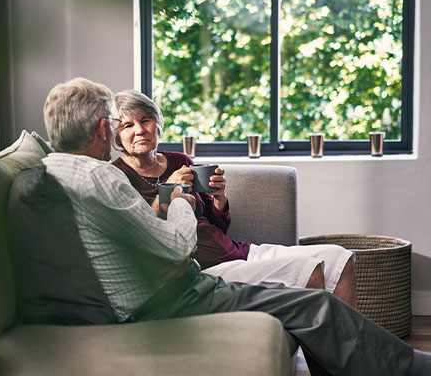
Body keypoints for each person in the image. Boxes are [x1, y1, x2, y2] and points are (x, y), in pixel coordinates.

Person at [37, 76, 428, 375]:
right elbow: (175, 248)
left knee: (328, 276)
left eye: (146, 121)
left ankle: (398, 364)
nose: (137, 130)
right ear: (106, 131)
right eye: (120, 123)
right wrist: (177, 200)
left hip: (179, 279)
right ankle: (409, 367)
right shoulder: (105, 177)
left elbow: (189, 230)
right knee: (317, 302)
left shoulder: (44, 175)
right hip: (176, 288)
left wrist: (213, 200)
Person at [111, 89, 358, 308]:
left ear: (157, 123)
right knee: (309, 270)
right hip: (203, 268)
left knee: (340, 257)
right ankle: (331, 360)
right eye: (128, 126)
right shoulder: (117, 176)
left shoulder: (180, 161)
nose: (140, 130)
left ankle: (351, 357)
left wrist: (219, 198)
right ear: (117, 136)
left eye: (145, 120)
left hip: (237, 251)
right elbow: (142, 234)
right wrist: (168, 190)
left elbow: (215, 225)